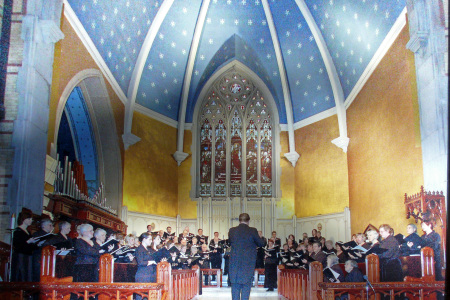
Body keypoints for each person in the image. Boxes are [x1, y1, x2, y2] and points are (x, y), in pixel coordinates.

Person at [228, 213, 265, 300]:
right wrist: (261, 237)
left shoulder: (232, 230)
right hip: (247, 266)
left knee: (235, 289)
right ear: (248, 221)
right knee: (246, 289)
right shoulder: (253, 230)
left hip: (234, 266)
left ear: (239, 220)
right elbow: (261, 243)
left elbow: (230, 242)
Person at [12, 211, 37, 281]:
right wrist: (28, 241)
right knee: (22, 275)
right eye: (29, 219)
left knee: (27, 275)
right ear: (23, 219)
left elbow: (30, 246)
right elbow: (17, 245)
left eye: (31, 219)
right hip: (20, 256)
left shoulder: (28, 231)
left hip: (27, 256)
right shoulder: (18, 231)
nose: (31, 220)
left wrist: (37, 243)